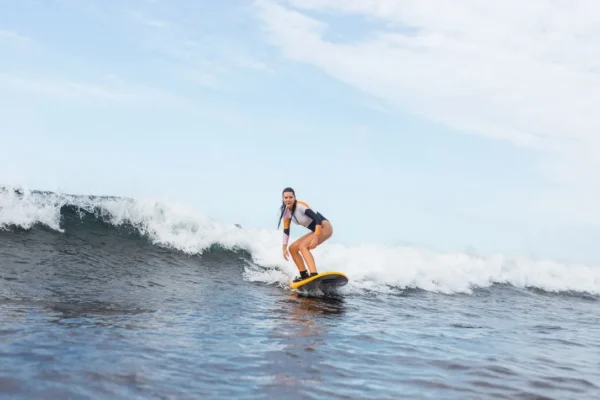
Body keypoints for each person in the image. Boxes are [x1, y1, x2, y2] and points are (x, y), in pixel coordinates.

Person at [277, 187, 333, 282]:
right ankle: (304, 275)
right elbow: (286, 230)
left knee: (303, 246)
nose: (288, 199)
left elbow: (317, 219)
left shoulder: (300, 207)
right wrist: (284, 248)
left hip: (324, 227)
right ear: (282, 199)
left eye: (290, 197)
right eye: (286, 197)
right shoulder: (286, 213)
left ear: (294, 197)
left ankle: (314, 275)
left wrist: (315, 237)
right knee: (292, 248)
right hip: (316, 230)